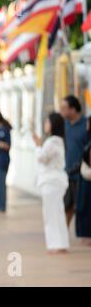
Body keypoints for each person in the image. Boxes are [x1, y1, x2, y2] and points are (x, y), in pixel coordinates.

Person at [33, 112, 69, 254]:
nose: (45, 124)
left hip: (51, 181)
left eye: (47, 121)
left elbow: (42, 158)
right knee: (57, 213)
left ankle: (55, 244)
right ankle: (61, 243)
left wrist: (37, 146)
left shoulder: (52, 141)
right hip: (55, 181)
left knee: (51, 214)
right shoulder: (58, 141)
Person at [60, 95, 88, 226]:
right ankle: (63, 233)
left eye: (64, 108)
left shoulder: (86, 124)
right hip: (67, 172)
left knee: (83, 206)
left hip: (83, 173)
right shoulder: (64, 125)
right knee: (66, 205)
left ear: (73, 109)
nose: (61, 111)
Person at [0, 111, 12, 213]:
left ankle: (2, 206)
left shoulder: (5, 130)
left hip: (3, 160)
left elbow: (8, 146)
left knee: (1, 184)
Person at [76, 116, 91, 245]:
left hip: (88, 180)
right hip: (85, 178)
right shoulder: (87, 141)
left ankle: (86, 234)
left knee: (86, 206)